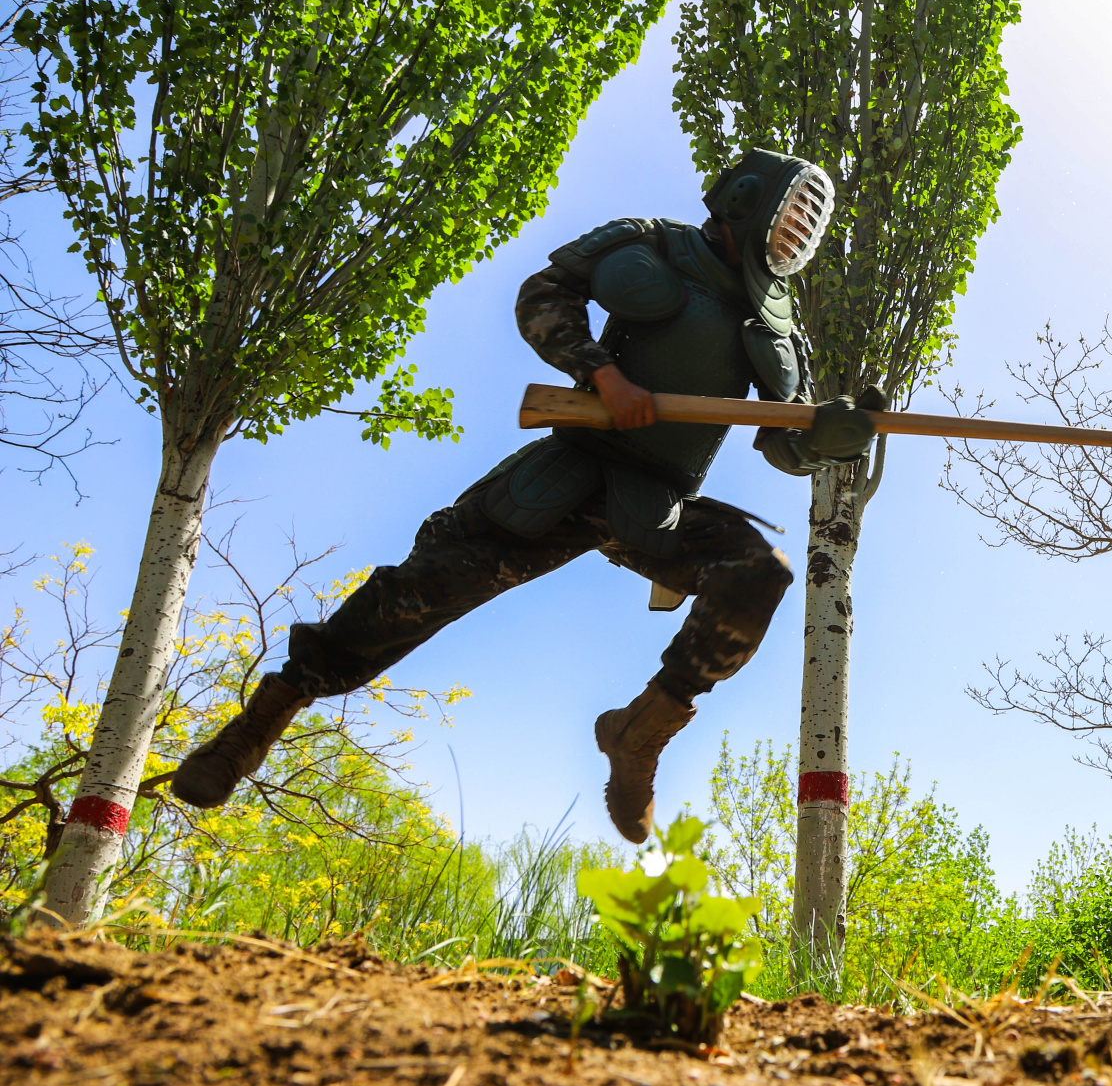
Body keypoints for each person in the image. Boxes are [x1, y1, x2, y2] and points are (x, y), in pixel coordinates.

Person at [171, 149, 873, 845]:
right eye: (791, 213)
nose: (796, 231)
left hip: (653, 502)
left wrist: (828, 436)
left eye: (806, 225)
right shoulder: (653, 243)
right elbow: (546, 292)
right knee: (420, 591)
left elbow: (783, 444)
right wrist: (601, 374)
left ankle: (640, 732)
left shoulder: (777, 324)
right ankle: (266, 716)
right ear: (747, 199)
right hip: (567, 474)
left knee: (760, 573)